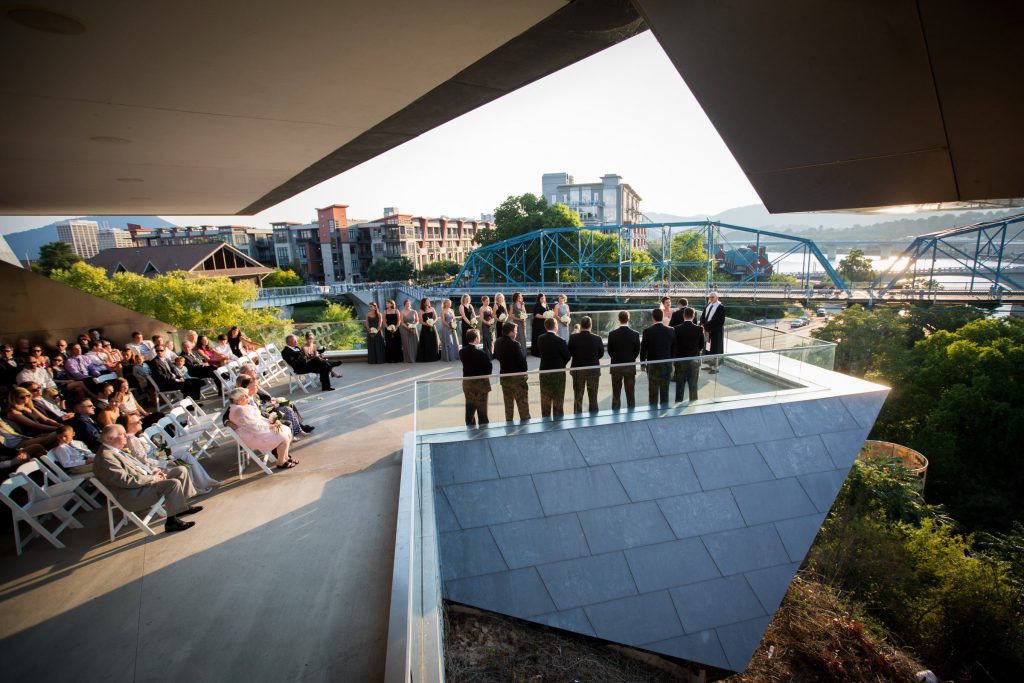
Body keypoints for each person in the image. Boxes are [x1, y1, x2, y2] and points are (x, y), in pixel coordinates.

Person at [93, 424, 200, 533]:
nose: (126, 436)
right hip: (134, 494)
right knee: (173, 483)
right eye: (122, 434)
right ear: (110, 439)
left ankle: (181, 507)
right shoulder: (106, 458)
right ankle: (171, 522)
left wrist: (154, 471)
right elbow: (125, 480)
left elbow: (137, 466)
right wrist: (152, 478)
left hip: (143, 484)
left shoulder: (115, 450)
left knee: (181, 470)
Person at [121, 414, 221, 493]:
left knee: (183, 455)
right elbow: (144, 460)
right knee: (181, 462)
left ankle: (204, 481)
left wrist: (167, 456)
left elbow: (153, 451)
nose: (140, 422)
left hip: (159, 459)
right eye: (137, 421)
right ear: (128, 426)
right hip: (155, 467)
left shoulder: (137, 437)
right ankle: (195, 487)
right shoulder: (132, 440)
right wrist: (167, 462)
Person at [227, 387, 296, 469]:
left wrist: (272, 421)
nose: (247, 397)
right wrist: (271, 426)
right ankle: (281, 462)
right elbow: (255, 428)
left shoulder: (243, 406)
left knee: (286, 430)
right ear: (237, 400)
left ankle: (286, 458)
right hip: (253, 436)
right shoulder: (239, 410)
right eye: (244, 396)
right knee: (283, 437)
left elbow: (259, 419)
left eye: (246, 395)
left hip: (258, 431)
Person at [493, 322, 530, 422]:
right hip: (517, 379)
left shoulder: (497, 342)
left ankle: (509, 426)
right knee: (523, 406)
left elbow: (496, 356)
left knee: (508, 406)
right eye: (515, 331)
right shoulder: (515, 344)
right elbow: (523, 365)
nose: (517, 333)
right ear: (510, 332)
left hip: (504, 377)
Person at [567, 315, 604, 413]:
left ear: (581, 325)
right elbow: (600, 354)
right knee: (593, 396)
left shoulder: (573, 337)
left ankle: (577, 417)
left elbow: (569, 352)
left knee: (578, 396)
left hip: (577, 369)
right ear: (590, 325)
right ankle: (593, 416)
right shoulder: (597, 338)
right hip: (593, 369)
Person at [640, 308, 675, 407]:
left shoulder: (647, 331)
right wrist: (672, 362)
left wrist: (643, 364)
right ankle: (664, 411)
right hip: (667, 363)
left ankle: (653, 410)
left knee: (653, 390)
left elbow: (643, 349)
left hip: (652, 364)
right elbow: (674, 348)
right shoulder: (671, 330)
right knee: (665, 390)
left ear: (653, 318)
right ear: (662, 317)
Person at [607, 310, 640, 410]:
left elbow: (610, 351)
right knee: (630, 392)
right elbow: (637, 351)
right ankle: (631, 410)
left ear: (618, 320)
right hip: (629, 365)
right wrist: (630, 358)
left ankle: (616, 412)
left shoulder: (612, 334)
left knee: (616, 392)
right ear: (628, 319)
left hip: (616, 365)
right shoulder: (635, 334)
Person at [536, 317, 569, 419]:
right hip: (558, 371)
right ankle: (557, 420)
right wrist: (561, 364)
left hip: (544, 370)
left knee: (545, 397)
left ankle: (545, 419)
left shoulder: (540, 338)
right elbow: (567, 356)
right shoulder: (560, 340)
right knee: (558, 397)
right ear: (555, 326)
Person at [459, 329, 492, 427]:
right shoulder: (481, 353)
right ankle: (483, 429)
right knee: (482, 410)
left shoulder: (462, 352)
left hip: (468, 383)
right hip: (481, 384)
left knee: (469, 409)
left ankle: (470, 428)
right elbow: (488, 369)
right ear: (476, 338)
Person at [673, 306, 704, 402]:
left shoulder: (676, 329)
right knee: (693, 384)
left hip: (680, 360)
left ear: (683, 316)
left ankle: (678, 402)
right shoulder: (699, 329)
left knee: (680, 384)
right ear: (693, 316)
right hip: (694, 359)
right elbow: (701, 345)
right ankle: (693, 403)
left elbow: (673, 345)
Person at [699, 291, 726, 373]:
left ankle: (715, 368)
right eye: (709, 297)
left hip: (715, 332)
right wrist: (702, 324)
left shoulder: (720, 307)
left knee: (715, 349)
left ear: (717, 298)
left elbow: (718, 321)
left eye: (712, 297)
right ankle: (709, 365)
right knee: (707, 349)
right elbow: (703, 317)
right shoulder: (709, 305)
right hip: (707, 331)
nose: (710, 298)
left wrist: (706, 326)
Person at [416, 298, 440, 362]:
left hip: (432, 326)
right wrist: (426, 324)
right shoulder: (421, 311)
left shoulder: (432, 309)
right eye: (427, 301)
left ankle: (434, 357)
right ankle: (427, 358)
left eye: (429, 301)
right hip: (425, 329)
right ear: (424, 303)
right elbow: (420, 321)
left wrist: (433, 322)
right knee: (427, 342)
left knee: (433, 341)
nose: (428, 302)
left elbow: (436, 317)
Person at [383, 299, 404, 363]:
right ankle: (390, 359)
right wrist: (387, 327)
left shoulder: (396, 311)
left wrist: (396, 327)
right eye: (386, 303)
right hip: (388, 329)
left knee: (397, 343)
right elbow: (383, 320)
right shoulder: (385, 311)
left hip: (396, 329)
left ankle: (398, 358)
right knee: (389, 343)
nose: (386, 304)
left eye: (387, 303)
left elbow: (399, 320)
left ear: (392, 304)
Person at [399, 299, 419, 364]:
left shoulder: (414, 311)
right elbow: (402, 322)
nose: (407, 305)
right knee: (407, 344)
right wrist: (408, 327)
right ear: (404, 305)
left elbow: (417, 321)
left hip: (413, 329)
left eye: (409, 304)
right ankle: (408, 358)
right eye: (406, 304)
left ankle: (416, 357)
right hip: (405, 329)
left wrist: (414, 325)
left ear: (410, 305)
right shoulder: (402, 312)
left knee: (414, 342)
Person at [530, 293, 548, 358]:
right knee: (538, 337)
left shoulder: (546, 304)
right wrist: (544, 316)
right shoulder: (537, 305)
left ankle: (543, 351)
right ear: (539, 299)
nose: (543, 299)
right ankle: (537, 352)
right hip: (538, 324)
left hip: (544, 323)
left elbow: (548, 312)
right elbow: (536, 314)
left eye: (544, 298)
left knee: (544, 337)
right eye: (542, 298)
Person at [478, 295, 495, 359]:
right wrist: (488, 323)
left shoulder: (490, 308)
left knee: (491, 339)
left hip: (491, 325)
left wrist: (492, 323)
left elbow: (492, 316)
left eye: (488, 301)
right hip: (485, 325)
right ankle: (487, 355)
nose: (488, 302)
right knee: (486, 339)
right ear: (483, 301)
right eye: (486, 301)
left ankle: (491, 353)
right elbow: (481, 319)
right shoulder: (481, 308)